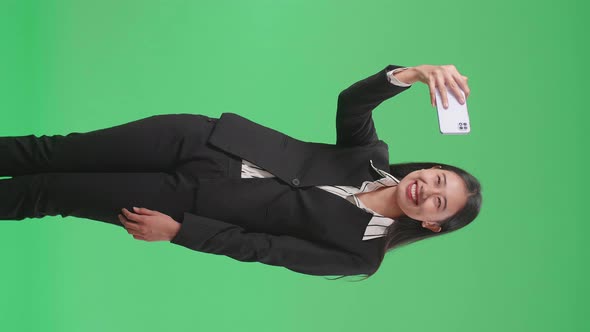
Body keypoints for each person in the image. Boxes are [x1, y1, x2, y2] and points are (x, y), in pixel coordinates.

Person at [0, 63, 482, 279]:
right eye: (439, 179)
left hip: (185, 203)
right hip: (205, 139)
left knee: (50, 195)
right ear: (432, 167)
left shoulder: (360, 257)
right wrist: (411, 74)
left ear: (431, 224)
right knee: (52, 152)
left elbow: (263, 249)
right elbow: (352, 104)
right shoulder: (370, 155)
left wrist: (179, 232)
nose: (428, 190)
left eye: (440, 202)